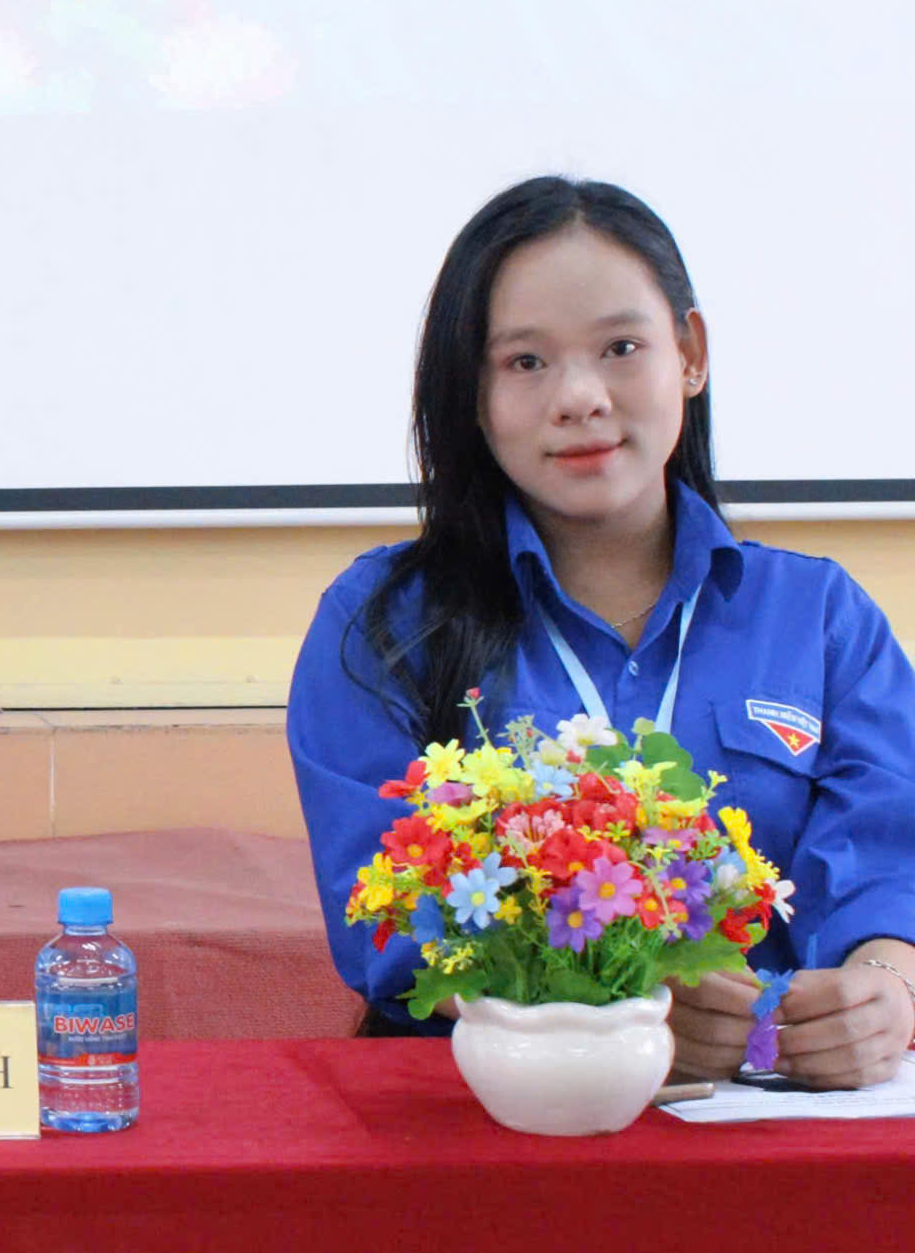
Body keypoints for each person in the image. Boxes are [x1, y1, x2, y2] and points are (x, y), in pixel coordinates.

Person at [288, 175, 915, 1086]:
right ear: (471, 393)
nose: (580, 397)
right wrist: (607, 1006)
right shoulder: (381, 622)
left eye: (621, 347)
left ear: (689, 355)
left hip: (769, 1114)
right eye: (525, 362)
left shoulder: (818, 617)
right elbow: (379, 915)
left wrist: (884, 989)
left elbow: (891, 852)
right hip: (490, 1120)